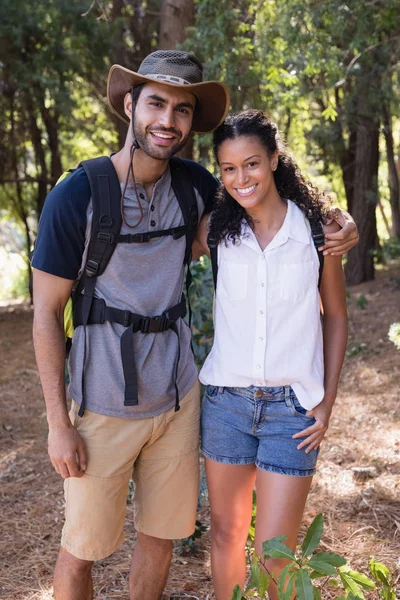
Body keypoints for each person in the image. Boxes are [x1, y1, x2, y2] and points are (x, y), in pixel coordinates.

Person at [32, 50, 356, 600]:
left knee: (161, 539)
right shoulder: (77, 195)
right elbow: (44, 314)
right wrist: (57, 423)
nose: (168, 120)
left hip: (180, 402)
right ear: (130, 105)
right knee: (81, 550)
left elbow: (257, 201)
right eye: (156, 103)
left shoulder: (195, 185)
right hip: (102, 403)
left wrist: (337, 224)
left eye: (182, 110)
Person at [195, 109, 349, 600]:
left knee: (274, 554)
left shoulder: (317, 232)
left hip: (291, 412)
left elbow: (337, 317)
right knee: (225, 536)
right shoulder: (216, 232)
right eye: (229, 168)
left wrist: (325, 403)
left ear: (275, 159)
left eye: (252, 163)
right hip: (225, 404)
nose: (242, 178)